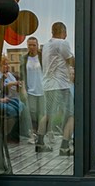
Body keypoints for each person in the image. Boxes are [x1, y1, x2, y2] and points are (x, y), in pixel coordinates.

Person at [41, 21, 75, 156]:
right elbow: (71, 60)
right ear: (64, 32)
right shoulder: (62, 43)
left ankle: (39, 142)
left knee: (48, 114)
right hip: (60, 85)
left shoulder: (47, 45)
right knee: (73, 115)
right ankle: (65, 147)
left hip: (48, 86)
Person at [22, 36, 46, 145]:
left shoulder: (42, 57)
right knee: (32, 114)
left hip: (43, 90)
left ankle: (45, 133)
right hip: (31, 90)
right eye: (29, 45)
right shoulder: (24, 58)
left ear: (37, 45)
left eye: (34, 45)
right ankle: (34, 134)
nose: (31, 47)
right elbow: (22, 75)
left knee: (43, 113)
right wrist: (23, 89)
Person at [0, 57, 23, 142]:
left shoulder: (9, 75)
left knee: (21, 107)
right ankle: (9, 134)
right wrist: (1, 99)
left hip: (9, 98)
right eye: (4, 64)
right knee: (12, 111)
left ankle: (16, 133)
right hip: (0, 100)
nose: (7, 66)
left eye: (7, 64)